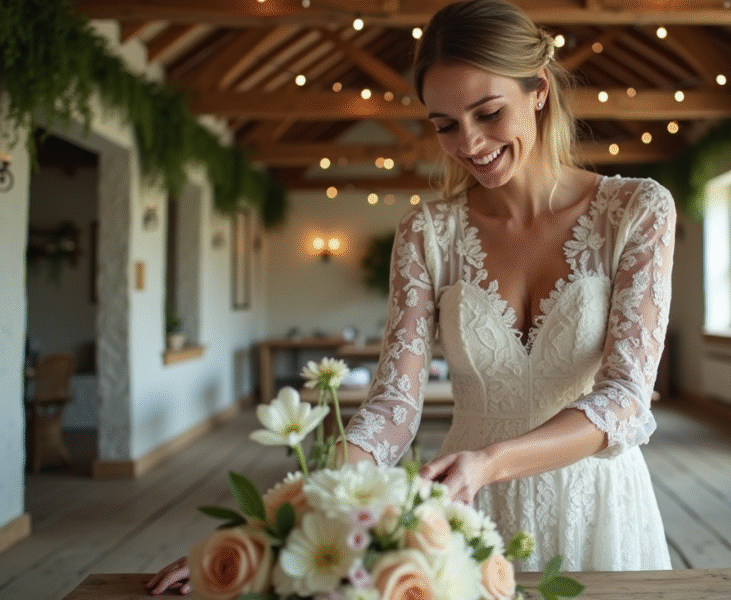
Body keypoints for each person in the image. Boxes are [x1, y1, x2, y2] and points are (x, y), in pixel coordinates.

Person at [148, 0, 673, 593]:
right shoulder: (427, 232)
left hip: (597, 502)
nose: (469, 143)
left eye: (488, 112)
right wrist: (270, 526)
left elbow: (627, 398)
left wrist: (492, 462)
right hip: (463, 511)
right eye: (445, 123)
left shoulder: (636, 210)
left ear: (540, 90)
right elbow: (393, 411)